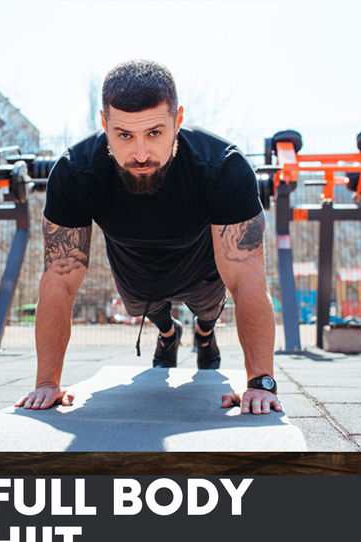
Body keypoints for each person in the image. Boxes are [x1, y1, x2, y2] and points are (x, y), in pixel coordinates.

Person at [16, 59, 282, 416]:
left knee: (207, 311)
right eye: (124, 135)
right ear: (104, 124)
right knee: (144, 308)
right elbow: (59, 280)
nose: (140, 153)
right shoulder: (77, 172)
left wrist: (259, 382)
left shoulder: (222, 167)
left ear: (178, 119)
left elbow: (248, 277)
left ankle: (205, 334)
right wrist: (47, 382)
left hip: (202, 270)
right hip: (135, 270)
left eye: (155, 133)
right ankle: (168, 335)